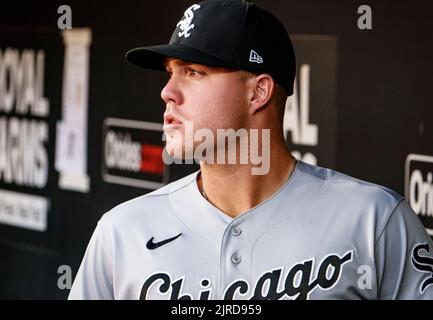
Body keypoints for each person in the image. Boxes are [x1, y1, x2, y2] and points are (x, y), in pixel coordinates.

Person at [69, 0, 433, 300]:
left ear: (258, 91)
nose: (168, 92)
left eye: (194, 72)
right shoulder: (122, 232)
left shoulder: (374, 220)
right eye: (169, 72)